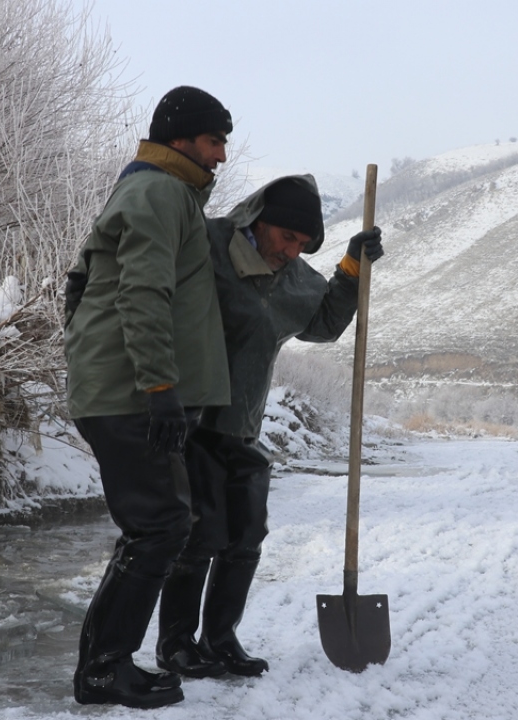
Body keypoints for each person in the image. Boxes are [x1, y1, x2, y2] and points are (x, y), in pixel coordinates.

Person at [154, 175, 384, 679]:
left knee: (246, 534)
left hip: (241, 425)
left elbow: (323, 323)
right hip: (189, 420)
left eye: (303, 245)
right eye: (287, 238)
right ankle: (175, 644)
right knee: (201, 534)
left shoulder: (298, 280)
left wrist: (349, 270)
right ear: (259, 221)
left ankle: (220, 638)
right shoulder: (209, 245)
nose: (291, 250)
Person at [63, 86, 233, 709]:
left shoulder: (157, 190)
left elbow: (79, 286)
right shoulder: (159, 191)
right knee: (160, 527)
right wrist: (160, 388)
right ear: (182, 138)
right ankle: (104, 670)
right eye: (215, 141)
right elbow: (141, 292)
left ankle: (104, 665)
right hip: (131, 393)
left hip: (121, 388)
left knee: (155, 527)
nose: (221, 155)